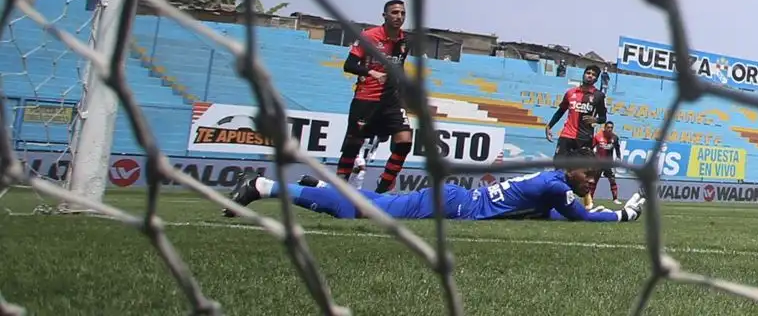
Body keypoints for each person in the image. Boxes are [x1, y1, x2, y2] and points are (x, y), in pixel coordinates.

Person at [231, 167, 643, 223]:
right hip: (454, 204)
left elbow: (553, 215)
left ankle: (318, 187)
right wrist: (622, 215)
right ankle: (263, 186)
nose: (590, 181)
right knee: (361, 210)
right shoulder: (555, 186)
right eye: (588, 174)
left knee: (373, 205)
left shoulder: (551, 184)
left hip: (457, 201)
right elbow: (580, 217)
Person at [333, 0, 413, 193]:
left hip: (392, 100)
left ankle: (383, 186)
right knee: (353, 146)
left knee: (405, 141)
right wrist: (371, 73)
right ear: (384, 15)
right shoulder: (369, 37)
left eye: (402, 13)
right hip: (366, 99)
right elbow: (349, 65)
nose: (399, 17)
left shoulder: (405, 41)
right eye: (394, 12)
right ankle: (338, 189)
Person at [545, 65, 605, 164]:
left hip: (584, 138)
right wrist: (549, 126)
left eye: (593, 75)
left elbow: (603, 118)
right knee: (559, 166)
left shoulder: (599, 96)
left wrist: (596, 120)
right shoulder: (570, 93)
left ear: (596, 79)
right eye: (588, 73)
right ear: (583, 74)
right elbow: (561, 111)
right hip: (566, 135)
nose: (590, 76)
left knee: (579, 170)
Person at [591, 120, 627, 207]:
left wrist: (618, 158)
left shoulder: (615, 137)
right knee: (594, 181)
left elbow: (617, 149)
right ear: (605, 128)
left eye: (611, 128)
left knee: (612, 180)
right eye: (608, 127)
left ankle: (615, 199)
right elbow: (591, 147)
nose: (610, 129)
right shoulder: (598, 136)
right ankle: (590, 199)